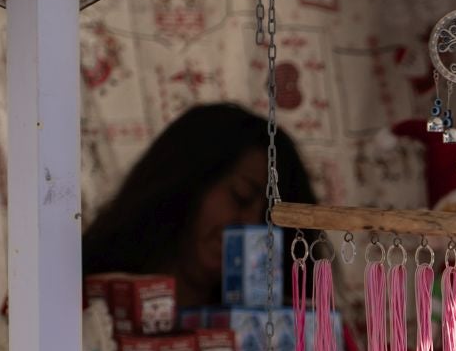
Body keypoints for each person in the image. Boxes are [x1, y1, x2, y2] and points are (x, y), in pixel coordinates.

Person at [82, 103, 317, 309]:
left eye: (268, 220)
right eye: (240, 197)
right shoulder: (79, 297)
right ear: (187, 181)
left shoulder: (289, 328)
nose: (251, 226)